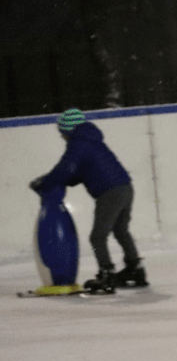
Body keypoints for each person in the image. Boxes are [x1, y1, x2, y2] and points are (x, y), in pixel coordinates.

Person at [28, 108, 147, 294]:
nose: (61, 136)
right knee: (121, 230)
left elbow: (65, 169)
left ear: (68, 130)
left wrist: (44, 183)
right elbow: (77, 173)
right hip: (125, 187)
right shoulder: (91, 139)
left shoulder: (78, 143)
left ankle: (106, 274)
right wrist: (54, 180)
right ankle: (136, 270)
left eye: (62, 132)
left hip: (110, 192)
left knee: (97, 236)